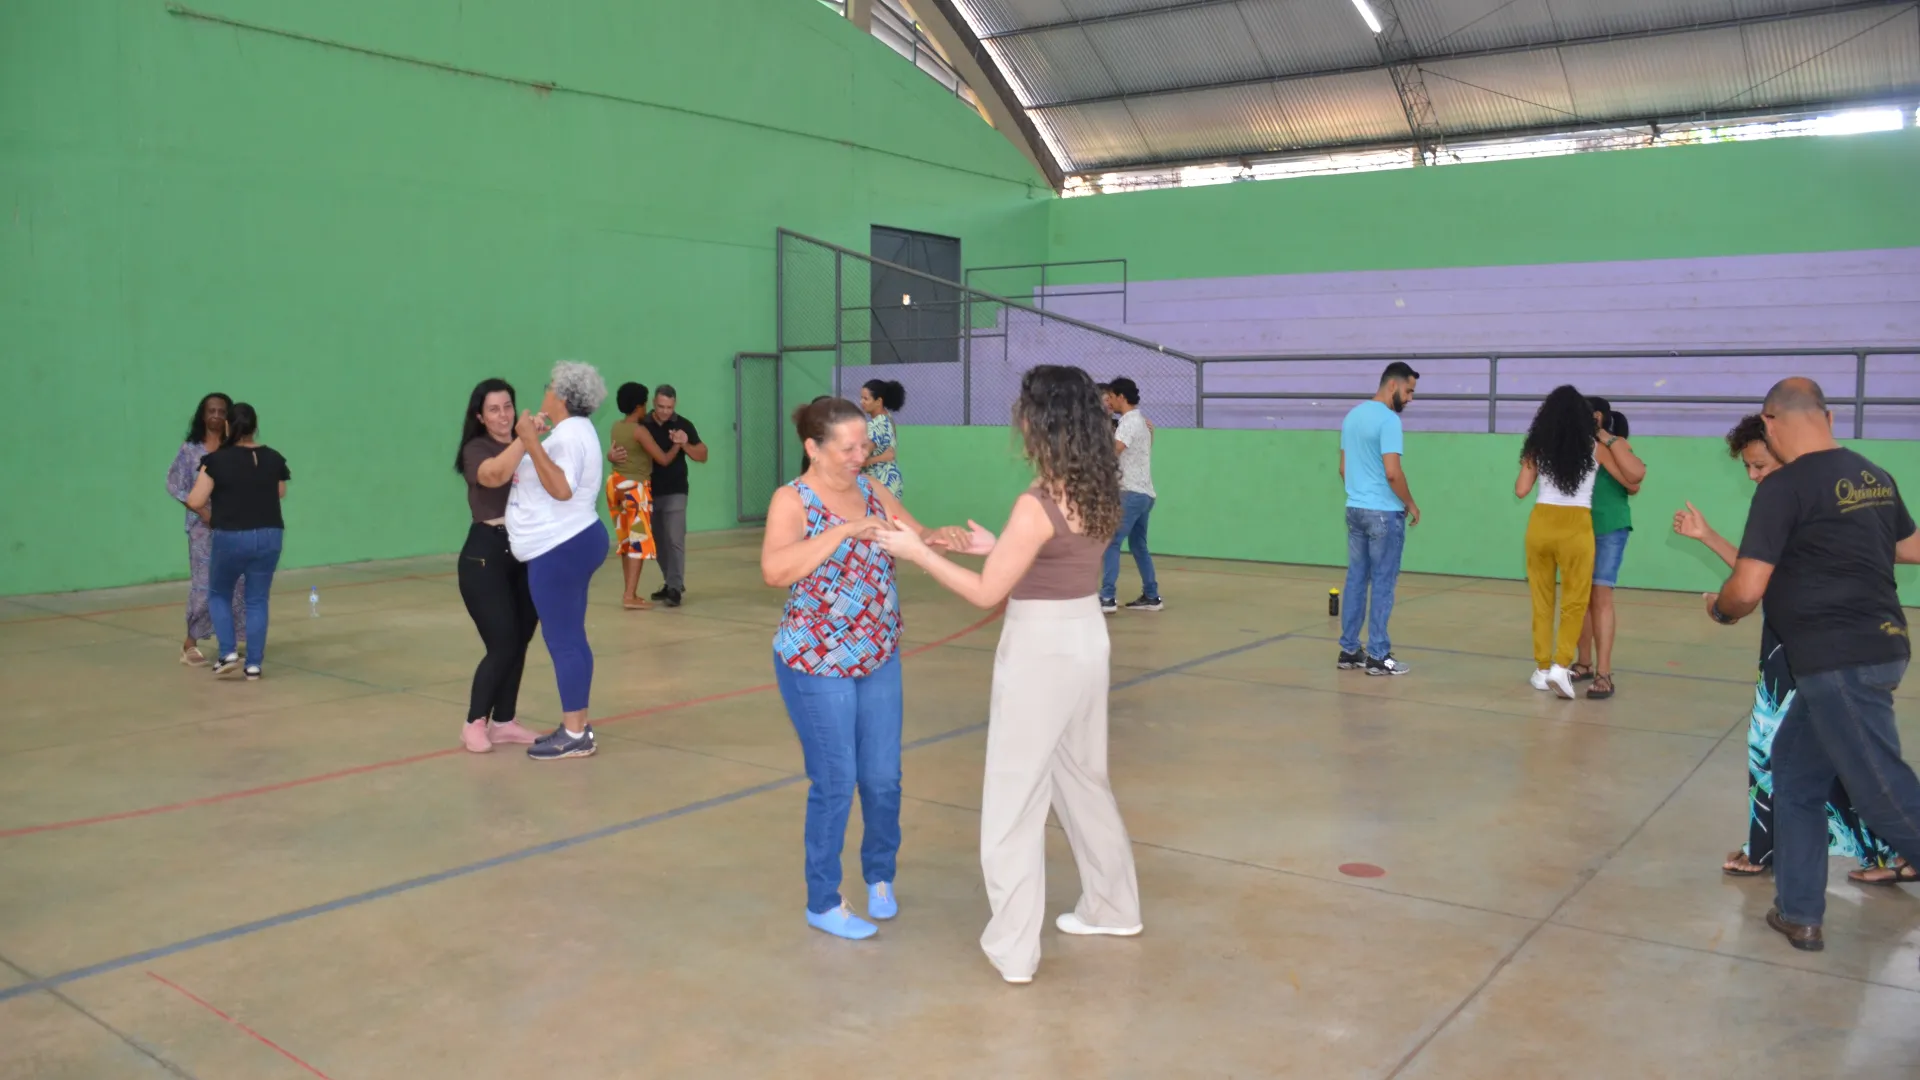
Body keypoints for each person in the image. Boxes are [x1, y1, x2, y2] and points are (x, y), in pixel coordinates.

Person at [878, 365, 1142, 986]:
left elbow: (985, 593)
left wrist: (917, 553)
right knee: (1083, 780)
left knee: (1014, 797)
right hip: (1085, 639)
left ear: (1041, 421)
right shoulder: (1100, 487)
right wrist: (997, 547)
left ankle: (1015, 949)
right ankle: (1114, 905)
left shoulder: (1037, 501)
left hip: (1041, 649)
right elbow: (1060, 558)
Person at [1703, 378, 1920, 951]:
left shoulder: (1786, 486)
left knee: (1881, 791)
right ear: (1828, 416)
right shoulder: (1871, 475)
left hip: (1838, 660)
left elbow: (1747, 587)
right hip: (1878, 647)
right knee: (1795, 773)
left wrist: (1721, 610)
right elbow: (1912, 545)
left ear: (1770, 422)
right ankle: (1799, 912)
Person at [758, 396, 970, 941]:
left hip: (877, 653)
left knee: (882, 777)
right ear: (813, 447)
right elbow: (775, 570)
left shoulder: (872, 488)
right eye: (848, 447)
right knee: (836, 780)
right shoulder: (793, 499)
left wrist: (940, 537)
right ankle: (822, 901)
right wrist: (843, 531)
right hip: (817, 661)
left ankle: (880, 874)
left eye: (865, 446)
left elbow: (914, 536)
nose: (861, 456)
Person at [1673, 413, 1905, 884]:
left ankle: (1787, 854)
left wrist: (1723, 609)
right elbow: (1761, 570)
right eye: (1747, 468)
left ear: (1783, 448)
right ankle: (1822, 861)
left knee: (1795, 750)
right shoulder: (1803, 494)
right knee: (1820, 753)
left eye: (1759, 465)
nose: (1753, 476)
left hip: (1812, 646)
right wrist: (1708, 536)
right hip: (1795, 641)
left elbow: (1750, 586)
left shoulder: (1794, 493)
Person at [508, 361, 611, 762]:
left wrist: (530, 441)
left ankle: (575, 734)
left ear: (563, 396)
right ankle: (577, 725)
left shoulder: (568, 435)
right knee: (572, 637)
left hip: (560, 547)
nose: (546, 391)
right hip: (570, 542)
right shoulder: (577, 430)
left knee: (563, 639)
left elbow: (561, 488)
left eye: (550, 386)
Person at [454, 378, 543, 754]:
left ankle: (504, 722)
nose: (503, 415)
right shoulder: (476, 449)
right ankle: (475, 721)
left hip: (525, 552)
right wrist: (525, 439)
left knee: (520, 640)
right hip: (485, 556)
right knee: (503, 641)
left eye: (508, 406)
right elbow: (494, 475)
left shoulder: (531, 445)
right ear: (480, 416)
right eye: (493, 409)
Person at [184, 403, 288, 680]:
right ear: (255, 426)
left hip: (231, 536)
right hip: (270, 535)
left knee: (219, 593)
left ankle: (227, 652)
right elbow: (280, 491)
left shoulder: (216, 460)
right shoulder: (274, 458)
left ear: (228, 425)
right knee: (257, 599)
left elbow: (195, 500)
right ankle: (253, 664)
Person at [1336, 362, 1420, 676]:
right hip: (1384, 514)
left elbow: (1343, 469)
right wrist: (1410, 503)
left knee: (1356, 579)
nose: (1410, 398)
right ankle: (1378, 655)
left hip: (1355, 510)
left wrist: (1360, 493)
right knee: (1383, 582)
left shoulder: (1352, 416)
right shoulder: (1389, 420)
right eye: (1408, 391)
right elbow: (1392, 473)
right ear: (1392, 385)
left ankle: (1349, 651)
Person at [1514, 385, 1597, 700]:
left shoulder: (1537, 447)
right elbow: (1632, 478)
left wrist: (1530, 463)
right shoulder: (1594, 446)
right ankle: (1562, 666)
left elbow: (1521, 489)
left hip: (1541, 524)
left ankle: (1541, 668)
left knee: (1542, 599)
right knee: (1575, 600)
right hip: (1577, 526)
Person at [1571, 400, 1647, 700]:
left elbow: (1634, 483)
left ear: (1597, 416)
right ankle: (1583, 663)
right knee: (1581, 598)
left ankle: (1604, 673)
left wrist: (1606, 443)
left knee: (1601, 597)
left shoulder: (1616, 444)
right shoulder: (1578, 446)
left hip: (1609, 528)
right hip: (1579, 527)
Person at [166, 393, 246, 666]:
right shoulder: (190, 450)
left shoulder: (234, 449)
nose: (216, 416)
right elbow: (174, 485)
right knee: (204, 585)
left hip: (233, 526)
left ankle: (229, 644)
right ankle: (190, 643)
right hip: (202, 529)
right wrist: (202, 511)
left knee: (237, 584)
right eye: (211, 410)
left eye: (221, 411)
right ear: (202, 414)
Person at [1099, 377, 1161, 614]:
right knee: (1138, 545)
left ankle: (1107, 598)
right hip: (1145, 495)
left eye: (1112, 397)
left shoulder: (1128, 422)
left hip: (1130, 493)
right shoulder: (1142, 423)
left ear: (1121, 397)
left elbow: (1114, 452)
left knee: (1111, 542)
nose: (1110, 402)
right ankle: (1152, 596)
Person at [640, 385, 705, 607]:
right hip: (649, 490)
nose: (665, 411)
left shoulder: (683, 425)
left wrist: (683, 443)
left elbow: (702, 454)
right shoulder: (642, 425)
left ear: (674, 404)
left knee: (675, 539)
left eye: (669, 407)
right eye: (661, 406)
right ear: (653, 403)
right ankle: (671, 581)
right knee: (657, 541)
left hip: (676, 490)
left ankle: (675, 587)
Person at [606, 382, 664, 611]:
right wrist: (677, 446)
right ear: (639, 406)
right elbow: (662, 459)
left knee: (627, 541)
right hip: (635, 489)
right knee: (638, 541)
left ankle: (629, 591)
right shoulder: (639, 431)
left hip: (616, 486)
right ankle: (630, 595)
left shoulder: (616, 427)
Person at [860, 379, 906, 499]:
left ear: (878, 401)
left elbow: (861, 457)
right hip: (892, 479)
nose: (861, 402)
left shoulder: (876, 425)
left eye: (866, 399)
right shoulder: (888, 418)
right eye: (861, 398)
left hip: (879, 481)